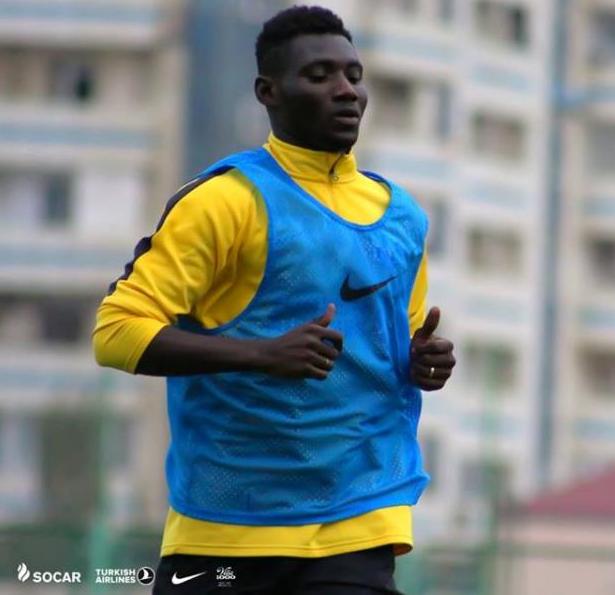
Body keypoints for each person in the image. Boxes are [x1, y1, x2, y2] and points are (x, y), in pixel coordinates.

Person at [92, 6, 455, 594]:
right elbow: (115, 334)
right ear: (269, 92)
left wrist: (421, 362)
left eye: (354, 76)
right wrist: (261, 354)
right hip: (223, 536)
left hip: (357, 527)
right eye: (319, 76)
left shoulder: (402, 217)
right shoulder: (224, 201)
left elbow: (396, 348)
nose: (346, 91)